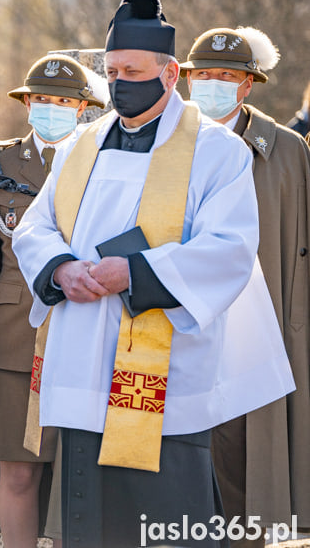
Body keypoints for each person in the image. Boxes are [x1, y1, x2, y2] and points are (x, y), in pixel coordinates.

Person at [12, 0, 294, 547]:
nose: (119, 83)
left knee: (167, 528)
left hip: (162, 386)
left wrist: (135, 273)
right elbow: (34, 228)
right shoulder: (79, 147)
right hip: (82, 364)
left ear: (169, 75)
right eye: (112, 71)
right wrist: (62, 268)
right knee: (90, 527)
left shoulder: (216, 152)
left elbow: (230, 248)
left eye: (132, 71)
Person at [0, 53, 104, 548]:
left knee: (78, 478)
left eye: (63, 101)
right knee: (17, 474)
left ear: (81, 108)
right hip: (12, 345)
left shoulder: (102, 159)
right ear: (27, 103)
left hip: (85, 336)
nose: (51, 108)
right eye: (42, 99)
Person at [181, 27, 310, 545]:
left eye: (227, 76)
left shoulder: (285, 151)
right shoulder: (161, 140)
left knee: (246, 470)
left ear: (247, 86)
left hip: (256, 336)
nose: (213, 84)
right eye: (203, 75)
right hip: (178, 329)